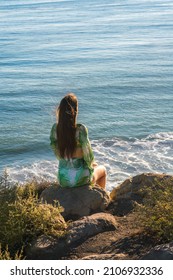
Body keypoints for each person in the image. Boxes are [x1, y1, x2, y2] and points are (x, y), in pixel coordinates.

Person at [50, 93, 106, 189]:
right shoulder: (80, 129)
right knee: (103, 170)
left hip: (63, 179)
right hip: (81, 179)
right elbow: (88, 156)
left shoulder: (55, 129)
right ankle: (101, 199)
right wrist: (90, 164)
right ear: (75, 111)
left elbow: (58, 155)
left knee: (93, 166)